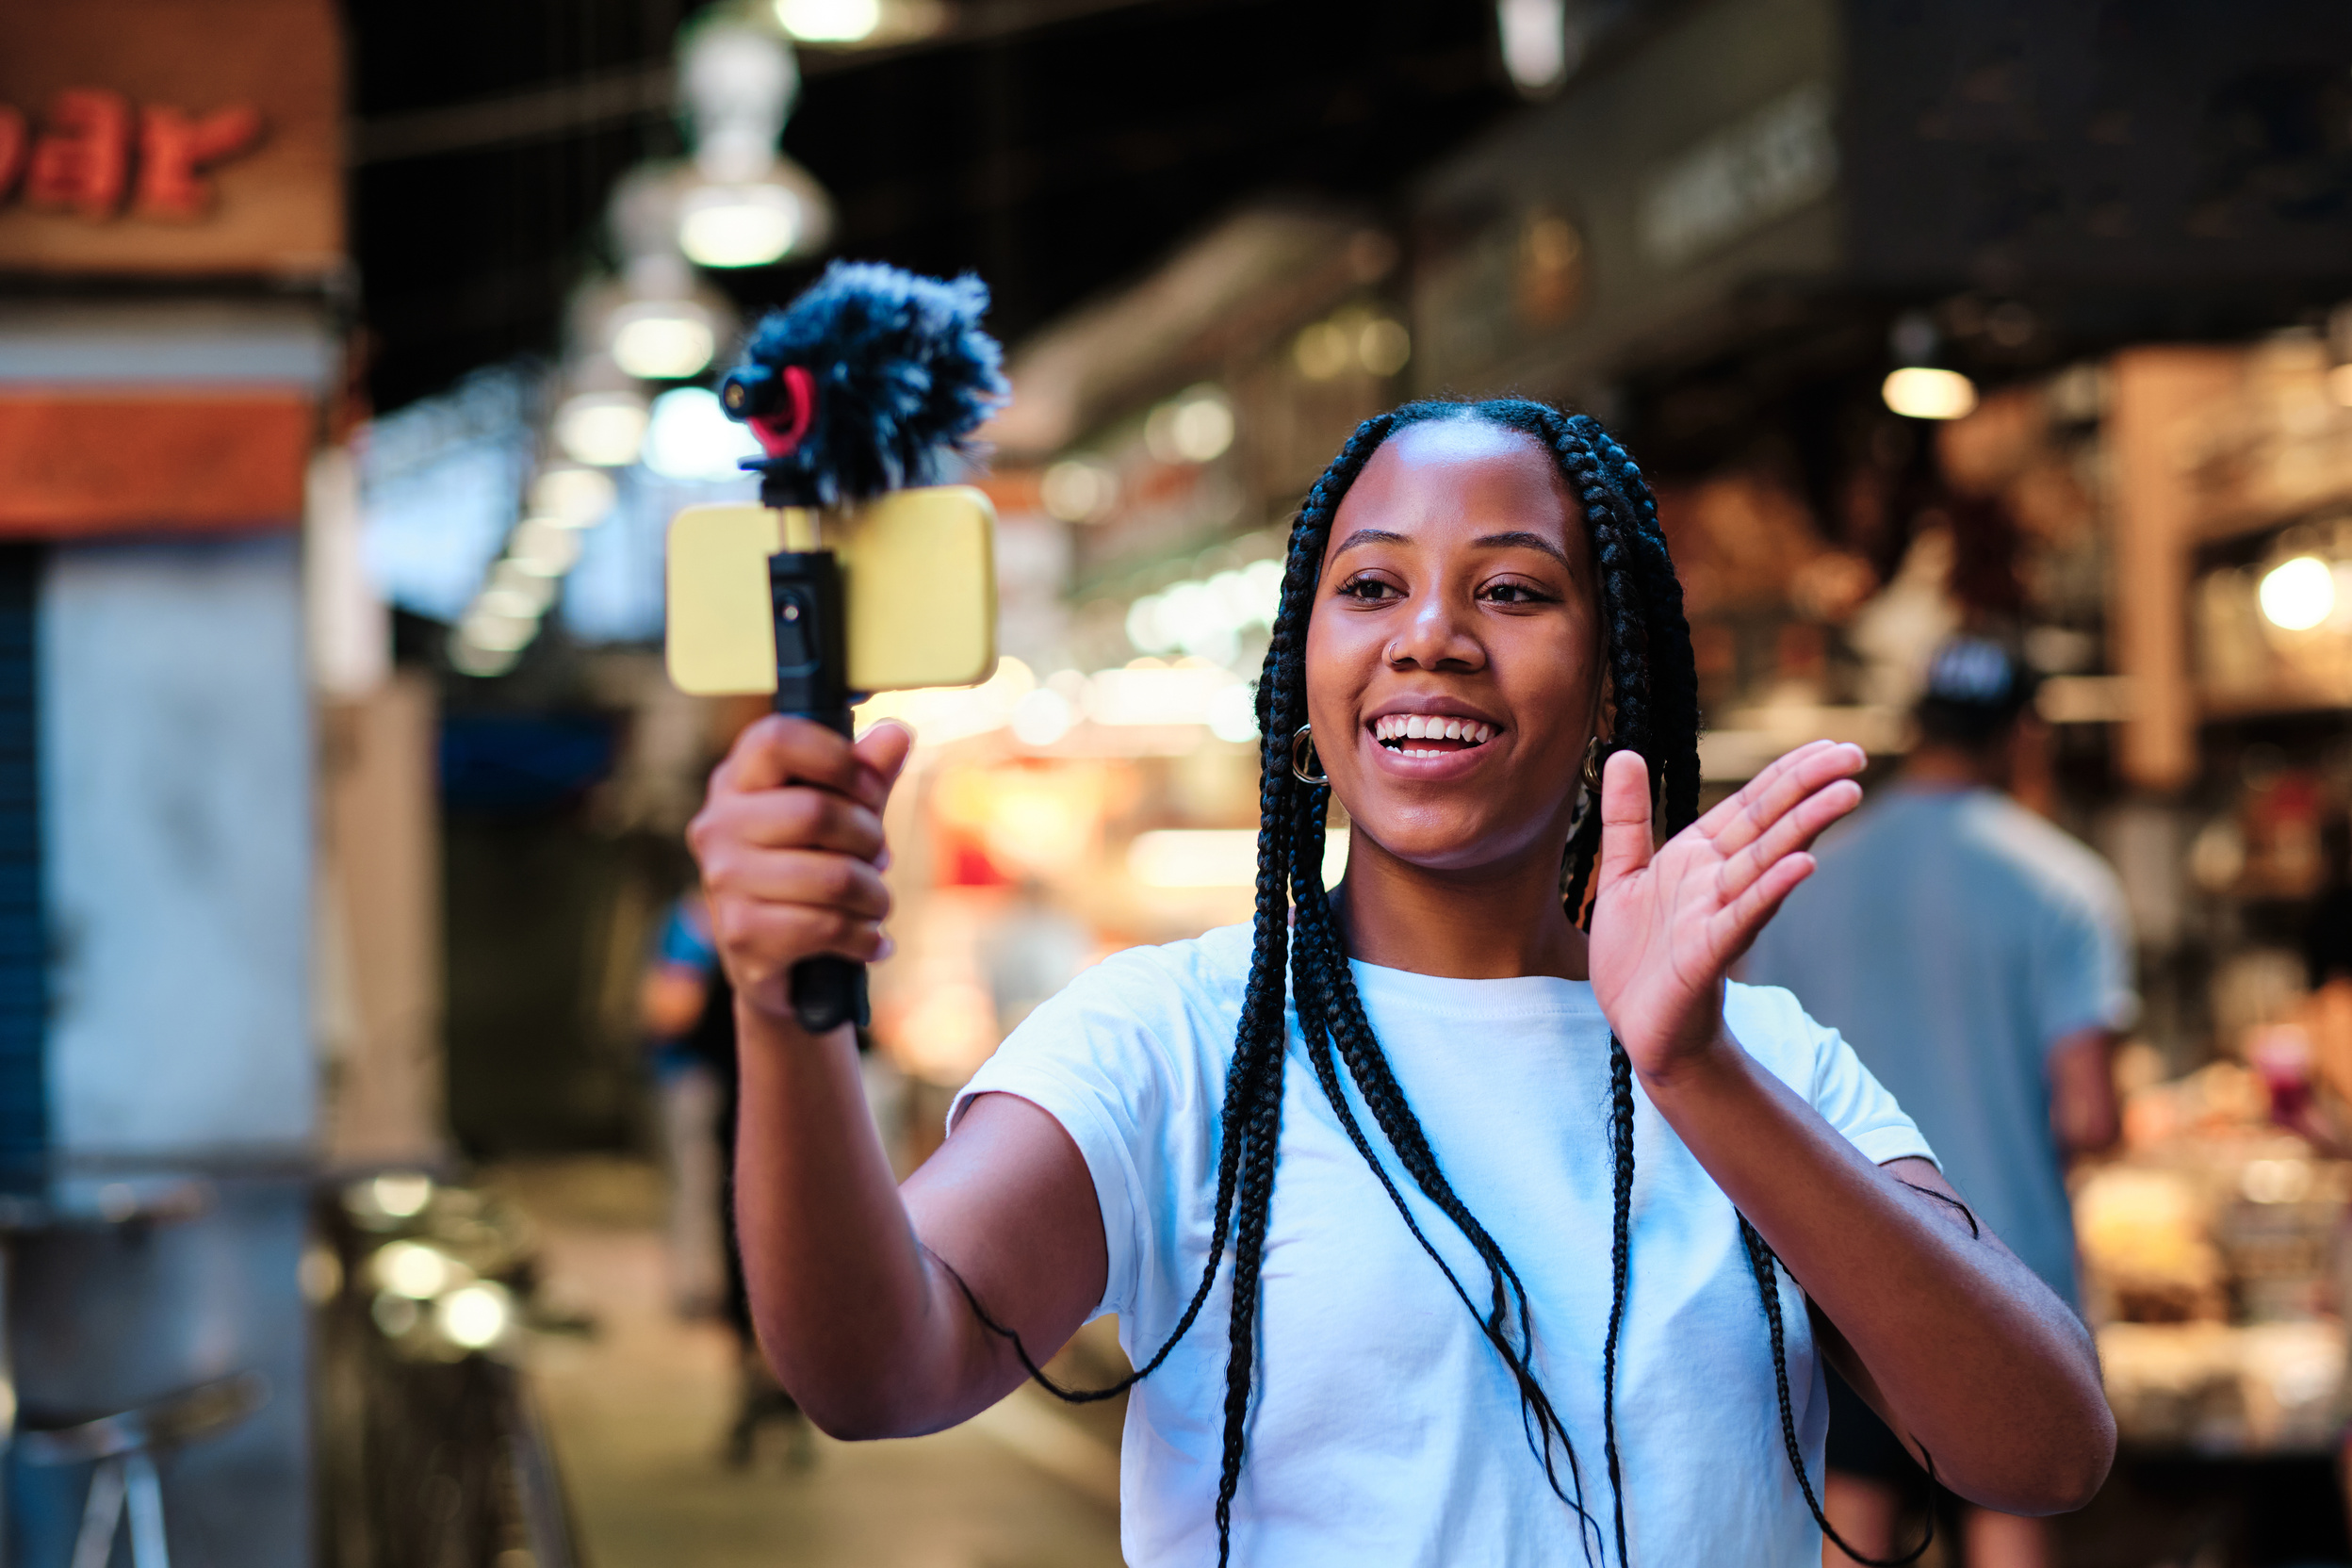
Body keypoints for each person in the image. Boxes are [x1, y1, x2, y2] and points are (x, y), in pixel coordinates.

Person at [689, 402, 2115, 1565]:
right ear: (1306, 678)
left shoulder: (1768, 1064)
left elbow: (2041, 1451)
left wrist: (1694, 1073)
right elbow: (875, 1370)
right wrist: (778, 1006)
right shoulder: (1175, 1042)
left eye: (1510, 588)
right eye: (1370, 585)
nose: (1428, 633)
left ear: (1614, 683)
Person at [1746, 634, 2132, 1568]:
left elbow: (1762, 1074)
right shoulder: (2064, 881)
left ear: (1914, 727)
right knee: (2012, 1510)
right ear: (2025, 736)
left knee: (1856, 1517)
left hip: (1838, 1267)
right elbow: (2088, 1114)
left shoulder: (1807, 876)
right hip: (2010, 1272)